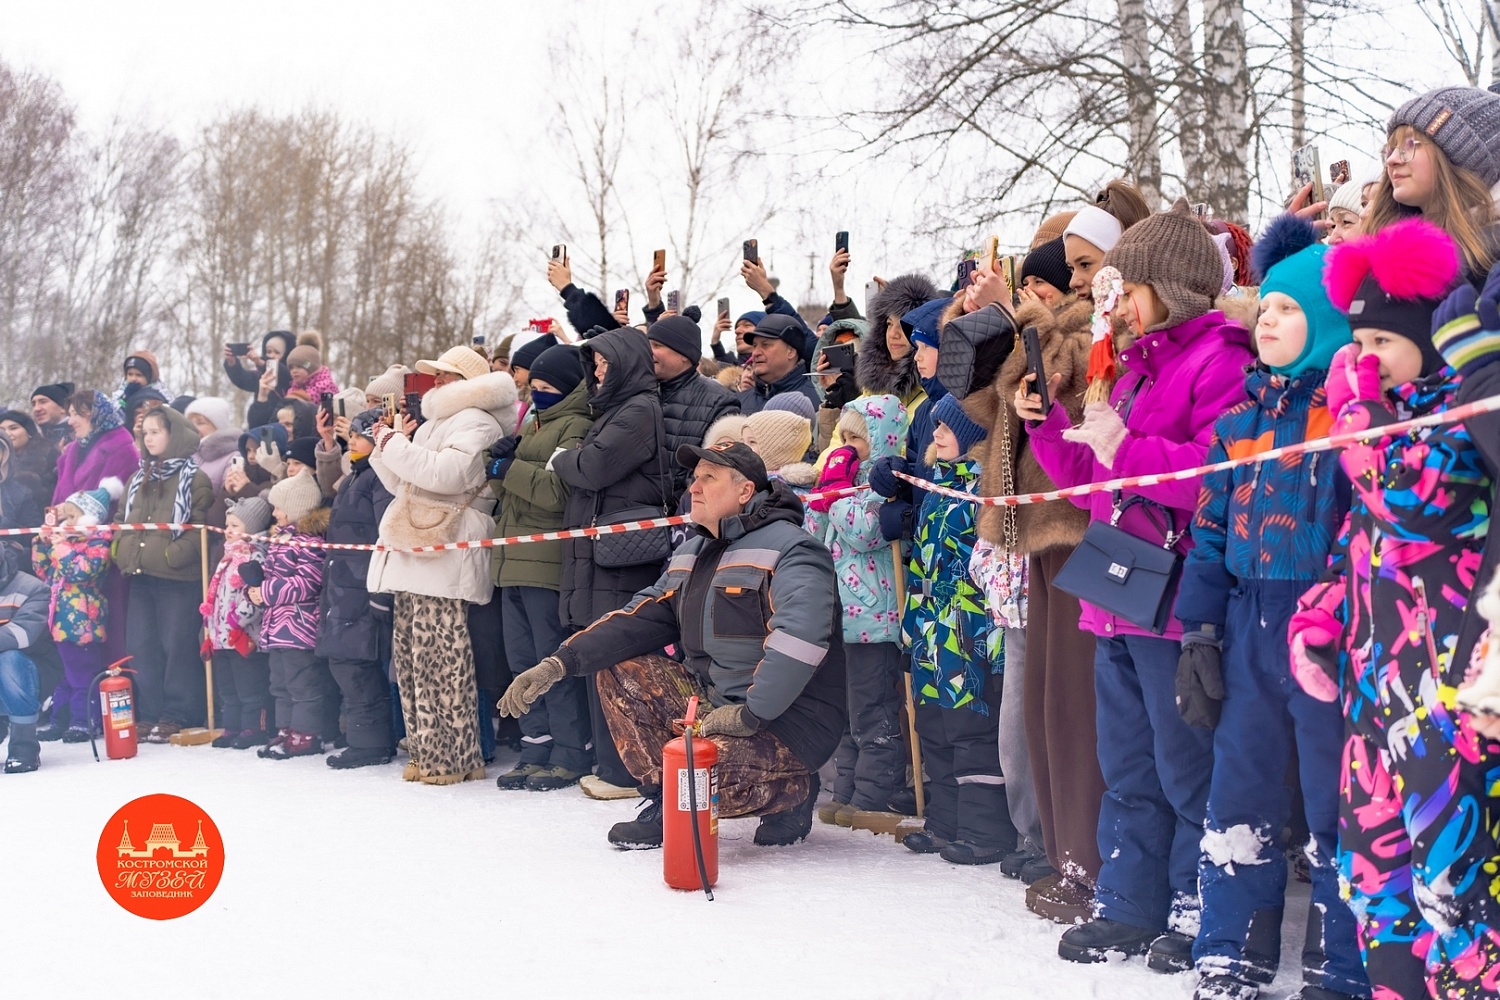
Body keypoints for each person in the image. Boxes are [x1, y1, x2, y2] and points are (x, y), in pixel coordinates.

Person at [1023, 200, 1256, 966]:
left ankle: (1193, 909)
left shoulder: (1220, 359)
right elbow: (1096, 483)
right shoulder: (1133, 370)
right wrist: (1048, 428)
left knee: (1184, 765)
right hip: (1116, 596)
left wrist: (1129, 446)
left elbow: (1213, 481)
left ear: (1173, 288)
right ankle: (1129, 904)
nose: (1114, 302)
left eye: (1130, 287)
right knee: (1125, 766)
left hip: (1172, 596)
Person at [1292, 219, 1499, 1000]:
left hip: (1444, 709)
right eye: (1360, 339)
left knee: (1454, 889)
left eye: (1385, 338)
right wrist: (1322, 613)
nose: (1367, 356)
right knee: (1374, 880)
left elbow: (1411, 500)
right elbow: (1363, 535)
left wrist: (1358, 415)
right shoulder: (1381, 421)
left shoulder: (1454, 420)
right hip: (1376, 702)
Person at [1177, 214, 1367, 1000]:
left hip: (1328, 635)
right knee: (1240, 783)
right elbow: (1211, 532)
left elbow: (1365, 529)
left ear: (1326, 320)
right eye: (1265, 309)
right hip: (1251, 625)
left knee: (1336, 797)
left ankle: (1343, 956)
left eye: (1288, 309)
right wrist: (1198, 631)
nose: (1269, 320)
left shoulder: (1352, 424)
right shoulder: (1238, 426)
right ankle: (1231, 940)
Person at [500, 442, 846, 850]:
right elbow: (634, 620)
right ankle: (668, 801)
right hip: (719, 709)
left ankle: (791, 793)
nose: (693, 487)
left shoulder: (794, 550)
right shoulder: (693, 552)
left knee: (705, 777)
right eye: (694, 477)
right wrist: (558, 664)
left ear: (745, 491)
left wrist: (752, 715)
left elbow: (799, 641)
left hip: (786, 723)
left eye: (708, 478)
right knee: (618, 667)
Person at [967, 233, 1101, 918]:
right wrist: (990, 330)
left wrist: (1020, 320)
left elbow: (1069, 391)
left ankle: (1083, 856)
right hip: (1031, 543)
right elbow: (988, 414)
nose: (1054, 288)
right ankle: (1054, 844)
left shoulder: (1083, 331)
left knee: (1073, 706)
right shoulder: (1041, 333)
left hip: (1077, 534)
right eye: (1060, 273)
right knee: (1041, 704)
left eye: (1073, 271)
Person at [367, 345, 516, 785]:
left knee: (443, 661)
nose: (436, 382)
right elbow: (404, 480)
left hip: (448, 548)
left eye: (446, 375)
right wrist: (385, 444)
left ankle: (452, 757)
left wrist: (395, 444)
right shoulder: (440, 421)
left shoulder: (477, 420)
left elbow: (446, 475)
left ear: (467, 381)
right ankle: (426, 752)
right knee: (413, 661)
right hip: (420, 542)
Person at [552, 327, 673, 794]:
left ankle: (625, 772)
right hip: (600, 559)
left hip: (620, 563)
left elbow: (594, 468)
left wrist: (564, 458)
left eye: (604, 362)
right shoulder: (618, 411)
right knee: (596, 653)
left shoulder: (638, 410)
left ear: (625, 363)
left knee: (615, 658)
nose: (597, 371)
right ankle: (609, 766)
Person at [900, 395, 1016, 863]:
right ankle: (945, 821)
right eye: (936, 427)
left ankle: (984, 831)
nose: (936, 434)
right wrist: (910, 627)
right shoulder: (938, 487)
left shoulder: (984, 489)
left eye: (948, 427)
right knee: (933, 724)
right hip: (930, 626)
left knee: (971, 728)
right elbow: (921, 564)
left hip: (966, 626)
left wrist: (990, 642)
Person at [488, 345, 596, 793]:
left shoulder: (577, 425)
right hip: (511, 559)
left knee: (549, 663)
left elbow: (554, 491)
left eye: (548, 386)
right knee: (520, 663)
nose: (539, 392)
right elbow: (513, 488)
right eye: (535, 386)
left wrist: (510, 467)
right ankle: (535, 748)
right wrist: (495, 464)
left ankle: (570, 753)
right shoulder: (534, 420)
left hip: (545, 563)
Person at [817, 395, 910, 834]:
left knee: (875, 710)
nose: (849, 448)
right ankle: (848, 790)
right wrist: (824, 492)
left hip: (876, 618)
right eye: (844, 437)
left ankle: (876, 795)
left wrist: (835, 494)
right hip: (841, 614)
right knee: (849, 711)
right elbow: (816, 533)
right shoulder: (845, 484)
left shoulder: (885, 482)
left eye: (859, 438)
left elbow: (864, 531)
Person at [115, 405, 214, 742]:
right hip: (140, 575)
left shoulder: (194, 477)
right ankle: (152, 713)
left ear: (175, 434)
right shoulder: (137, 477)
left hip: (178, 579)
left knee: (177, 646)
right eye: (145, 432)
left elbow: (200, 527)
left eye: (156, 431)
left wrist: (173, 555)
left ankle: (179, 713)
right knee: (141, 645)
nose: (149, 437)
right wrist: (119, 549)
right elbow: (121, 521)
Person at [315, 409, 396, 770]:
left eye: (359, 436)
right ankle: (367, 738)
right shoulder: (356, 475)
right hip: (344, 581)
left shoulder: (378, 476)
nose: (352, 443)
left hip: (362, 584)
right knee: (346, 660)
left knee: (355, 663)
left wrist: (381, 589)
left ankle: (371, 743)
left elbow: (386, 531)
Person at [1364, 86, 1500, 286]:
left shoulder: (1489, 261)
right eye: (1390, 149)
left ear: (1460, 158)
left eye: (1410, 144)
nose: (1391, 160)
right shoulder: (1380, 249)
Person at [252, 472, 335, 759]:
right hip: (277, 628)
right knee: (280, 683)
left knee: (302, 683)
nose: (273, 513)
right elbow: (274, 577)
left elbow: (306, 583)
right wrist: (257, 585)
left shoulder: (309, 541)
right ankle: (286, 729)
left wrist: (268, 591)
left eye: (278, 507)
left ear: (295, 507)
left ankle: (307, 732)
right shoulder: (282, 539)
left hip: (299, 627)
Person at [31, 478, 121, 742]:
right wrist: (42, 542)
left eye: (73, 516)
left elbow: (79, 572)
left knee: (82, 673)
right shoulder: (65, 543)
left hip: (83, 621)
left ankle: (84, 721)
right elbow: (43, 569)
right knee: (62, 675)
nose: (66, 522)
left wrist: (59, 545)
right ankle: (61, 719)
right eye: (65, 516)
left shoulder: (98, 545)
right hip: (59, 621)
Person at [201, 497, 273, 750]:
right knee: (227, 687)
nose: (228, 530)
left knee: (249, 685)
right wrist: (211, 620)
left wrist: (236, 619)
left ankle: (253, 727)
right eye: (227, 524)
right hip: (222, 636)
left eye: (234, 525)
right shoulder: (227, 558)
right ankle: (231, 725)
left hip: (244, 635)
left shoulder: (254, 557)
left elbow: (254, 595)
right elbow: (218, 592)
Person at [647, 315, 740, 503]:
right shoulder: (639, 391)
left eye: (657, 346)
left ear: (684, 354)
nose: (649, 352)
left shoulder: (719, 400)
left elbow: (716, 470)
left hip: (684, 519)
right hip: (636, 511)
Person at [0, 543, 64, 773]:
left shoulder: (32, 588)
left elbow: (22, 634)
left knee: (8, 659)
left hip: (30, 670)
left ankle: (24, 748)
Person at [737, 315, 822, 416]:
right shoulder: (738, 401)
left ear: (790, 352)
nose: (755, 353)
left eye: (765, 345)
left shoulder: (819, 401)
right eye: (755, 346)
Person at [184, 397, 244, 497]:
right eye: (190, 423)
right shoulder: (184, 453)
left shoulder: (233, 457)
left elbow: (229, 496)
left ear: (218, 426)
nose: (193, 428)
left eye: (200, 423)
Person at [284, 331, 340, 403]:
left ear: (311, 368)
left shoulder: (326, 387)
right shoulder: (292, 390)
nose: (294, 371)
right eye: (291, 367)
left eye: (299, 366)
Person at [29, 382, 75, 448]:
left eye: (43, 402)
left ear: (63, 407)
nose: (36, 409)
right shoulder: (35, 444)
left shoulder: (81, 436)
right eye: (33, 404)